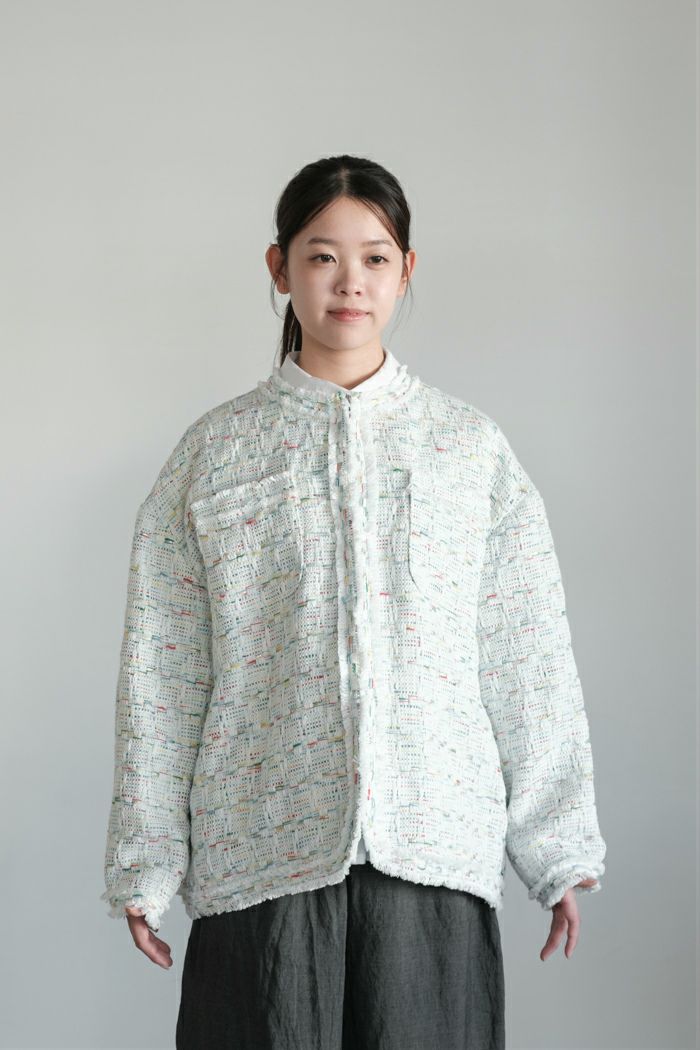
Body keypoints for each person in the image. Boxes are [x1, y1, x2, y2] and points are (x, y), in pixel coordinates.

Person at [102, 154, 606, 1049]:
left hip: (435, 855)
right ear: (279, 268)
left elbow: (525, 654)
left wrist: (557, 848)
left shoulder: (468, 450)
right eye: (322, 256)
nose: (349, 282)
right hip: (261, 855)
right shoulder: (214, 456)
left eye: (374, 258)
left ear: (406, 270)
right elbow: (163, 677)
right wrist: (147, 862)